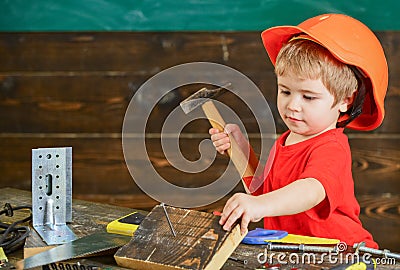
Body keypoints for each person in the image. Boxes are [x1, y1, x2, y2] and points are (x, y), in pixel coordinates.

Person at [209, 14, 388, 248]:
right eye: (285, 91)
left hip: (339, 254)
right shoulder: (285, 141)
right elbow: (264, 194)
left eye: (308, 96)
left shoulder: (331, 147)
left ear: (345, 100)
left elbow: (311, 190)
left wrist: (259, 206)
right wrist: (241, 149)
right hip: (293, 254)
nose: (293, 105)